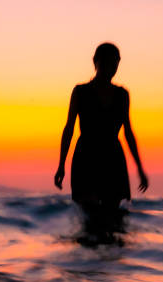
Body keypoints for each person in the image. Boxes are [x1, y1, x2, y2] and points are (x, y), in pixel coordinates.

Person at [54, 42, 148, 221]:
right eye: (107, 63)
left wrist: (140, 167)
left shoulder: (122, 95)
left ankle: (108, 250)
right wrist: (61, 165)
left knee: (113, 219)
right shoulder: (80, 92)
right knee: (88, 217)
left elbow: (128, 132)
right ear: (95, 62)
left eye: (115, 63)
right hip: (86, 157)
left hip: (113, 158)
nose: (111, 68)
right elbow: (69, 129)